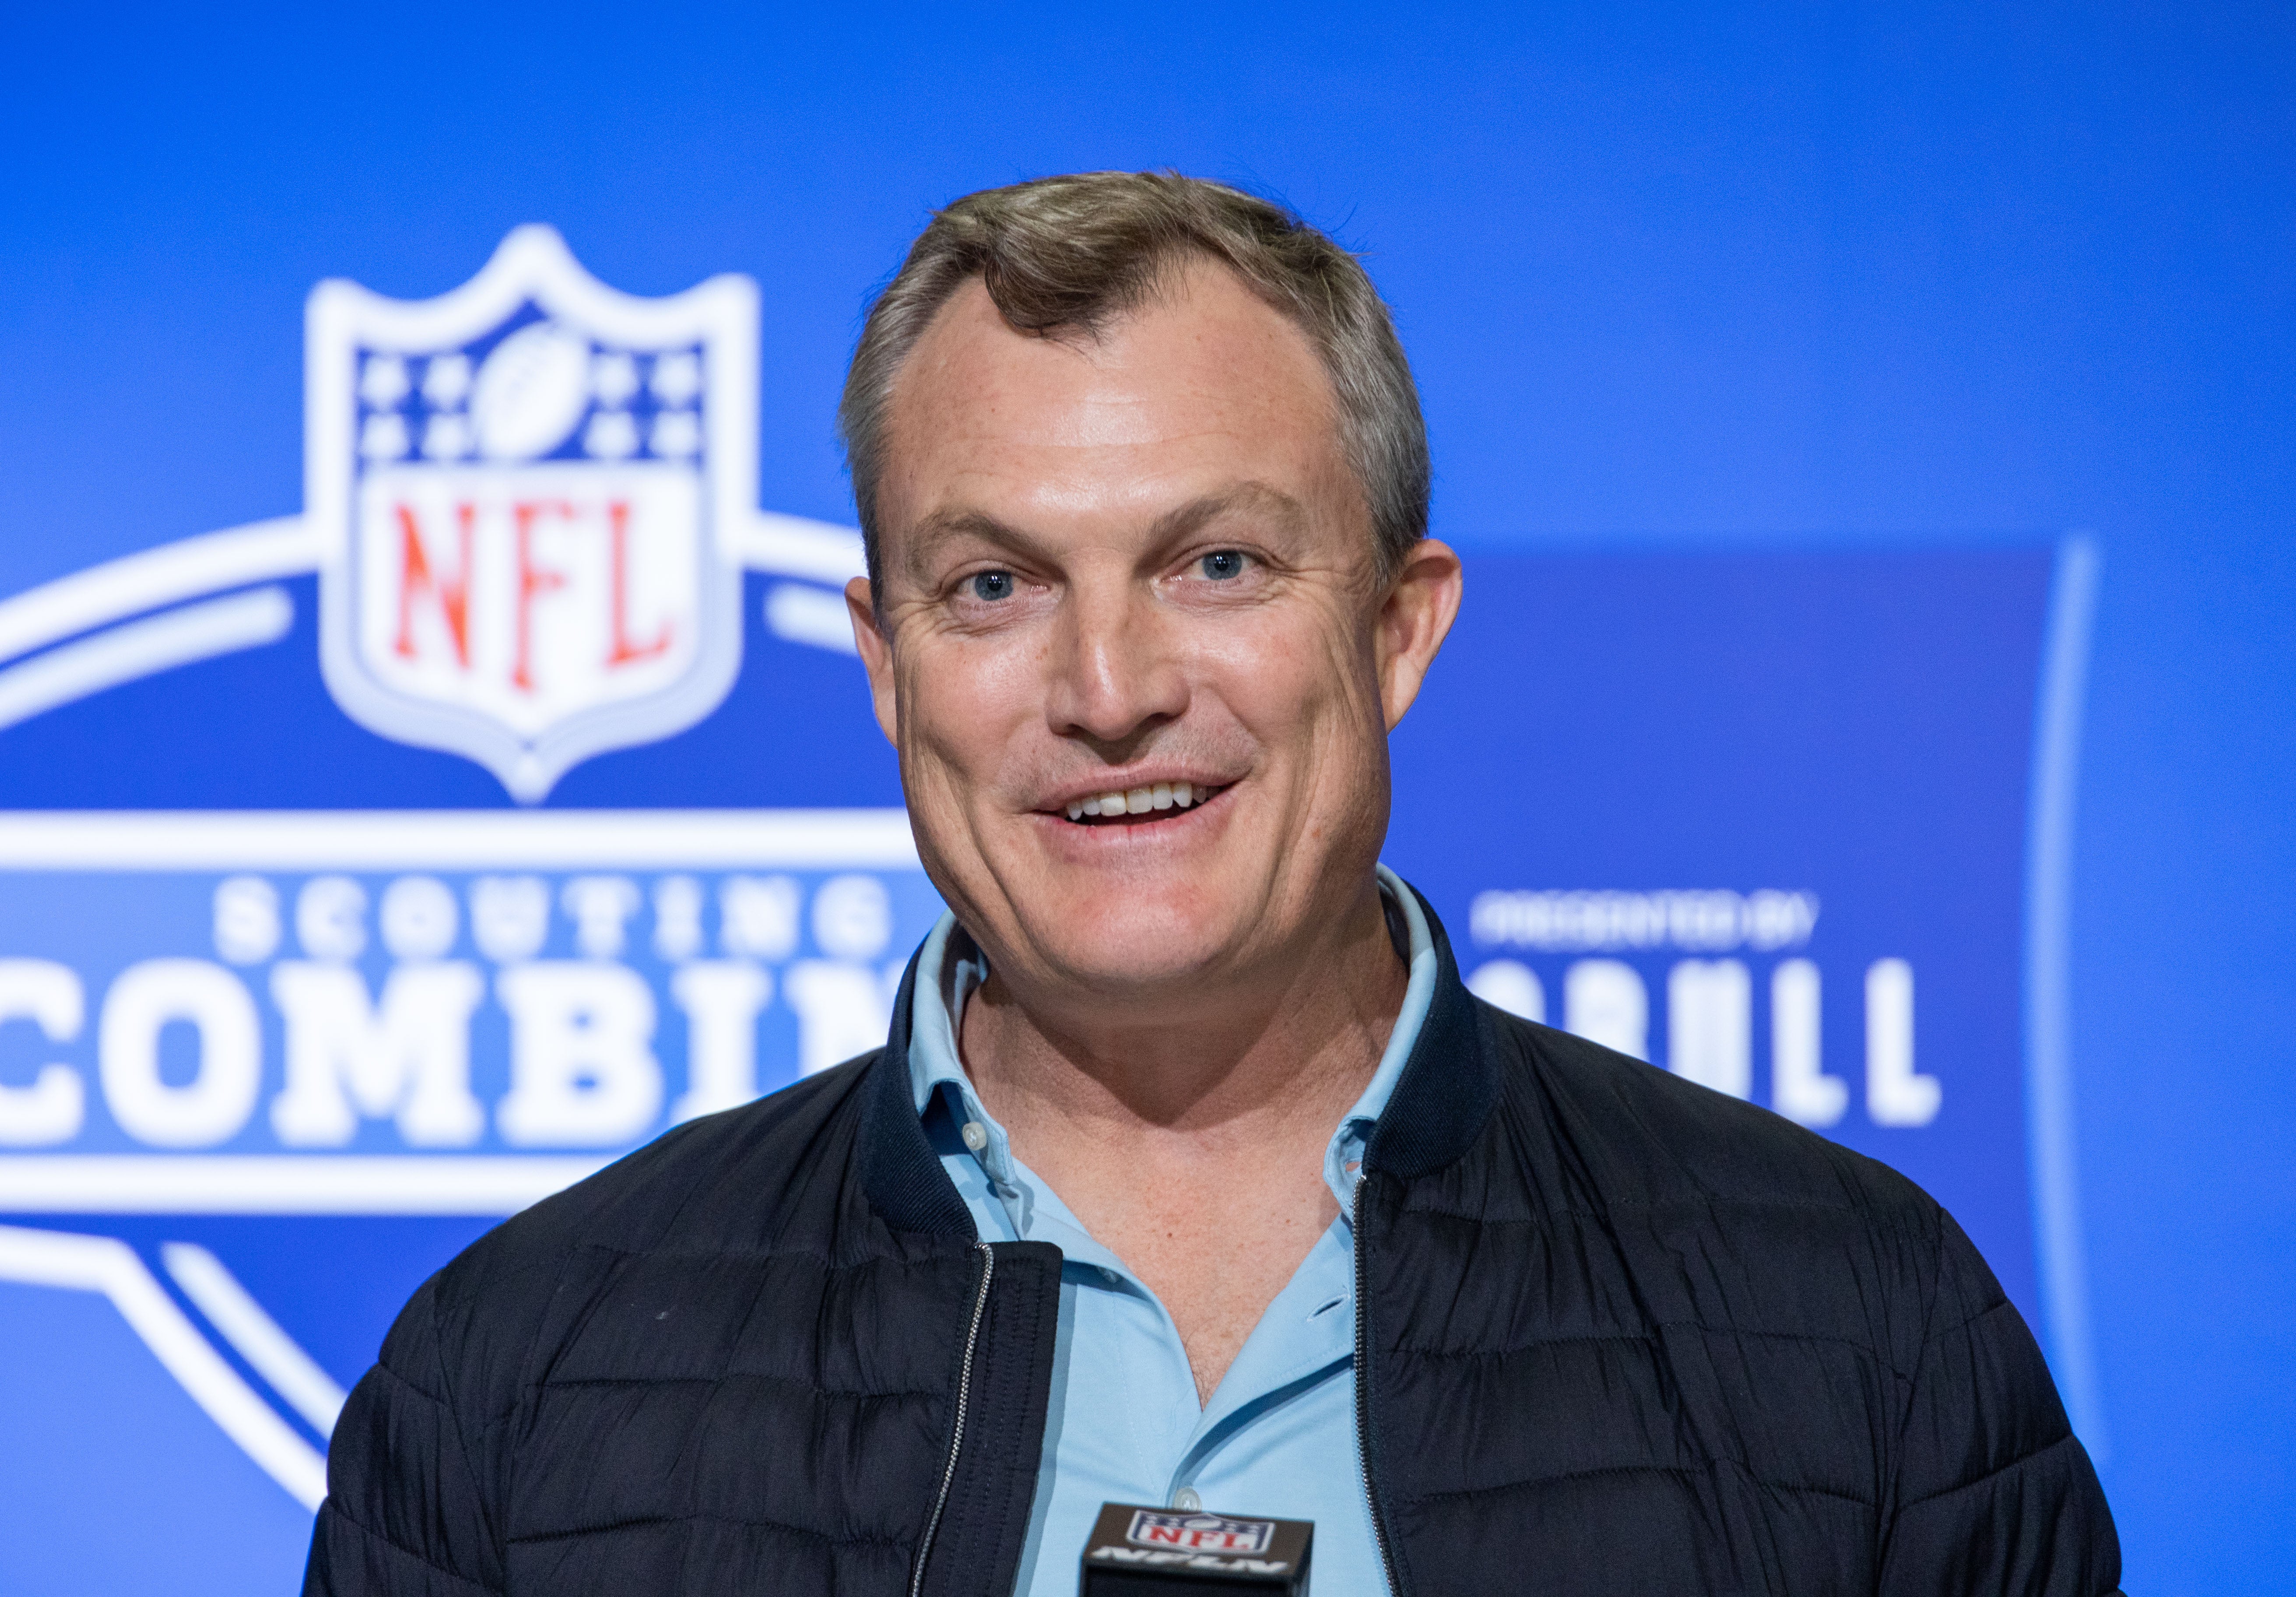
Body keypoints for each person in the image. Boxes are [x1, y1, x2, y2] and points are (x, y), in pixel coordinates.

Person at [303, 171, 2122, 1597]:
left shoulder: (1862, 1334)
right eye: (995, 587)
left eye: (1219, 563)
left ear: (1399, 629)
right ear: (884, 662)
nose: (1110, 691)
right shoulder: (516, 1377)